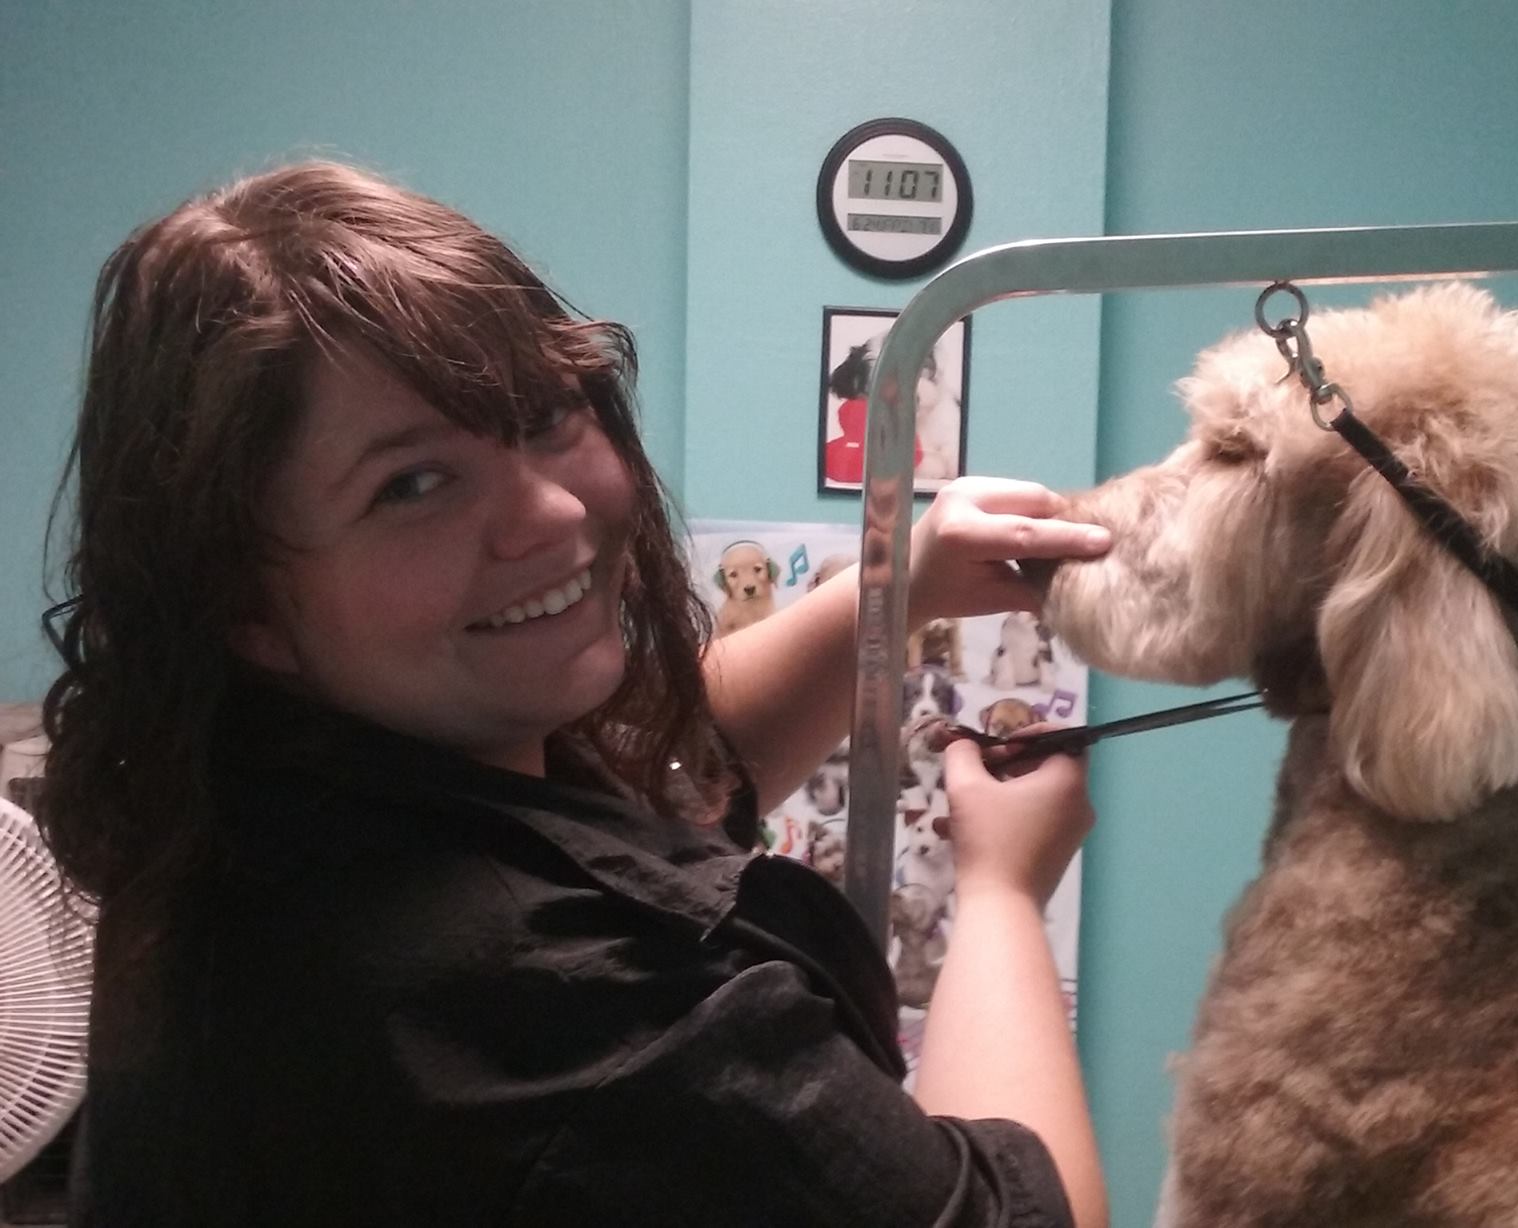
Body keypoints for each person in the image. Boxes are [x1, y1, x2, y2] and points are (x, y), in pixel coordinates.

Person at [37, 161, 1112, 1227]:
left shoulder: (267, 813)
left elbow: (650, 775)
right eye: (413, 484)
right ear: (242, 598)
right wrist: (1001, 887)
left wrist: (901, 583)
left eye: (549, 414)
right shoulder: (554, 1012)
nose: (551, 514)